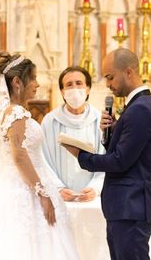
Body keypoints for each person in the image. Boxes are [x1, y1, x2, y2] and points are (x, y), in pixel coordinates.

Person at [0, 52, 79, 260]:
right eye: (34, 78)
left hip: (22, 184)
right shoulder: (15, 113)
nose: (37, 84)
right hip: (25, 190)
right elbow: (19, 156)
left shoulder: (12, 112)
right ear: (17, 82)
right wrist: (42, 193)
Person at [62, 48, 151, 260]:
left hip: (131, 207)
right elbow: (125, 152)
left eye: (110, 77)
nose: (107, 84)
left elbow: (120, 161)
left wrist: (80, 155)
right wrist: (113, 132)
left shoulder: (141, 109)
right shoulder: (136, 106)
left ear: (128, 72)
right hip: (125, 207)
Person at [41, 66, 105, 202]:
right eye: (69, 85)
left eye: (79, 83)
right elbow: (43, 159)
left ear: (88, 88)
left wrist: (95, 188)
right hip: (60, 198)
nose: (74, 89)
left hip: (92, 198)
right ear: (62, 91)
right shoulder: (50, 121)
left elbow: (106, 158)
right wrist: (58, 189)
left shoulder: (100, 120)